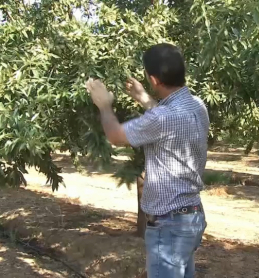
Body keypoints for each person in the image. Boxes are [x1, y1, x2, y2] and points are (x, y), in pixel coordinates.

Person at [86, 43, 209, 278]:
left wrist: (104, 105)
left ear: (153, 79)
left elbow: (116, 135)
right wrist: (144, 98)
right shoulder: (197, 106)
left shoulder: (162, 118)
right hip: (191, 218)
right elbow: (167, 120)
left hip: (169, 225)